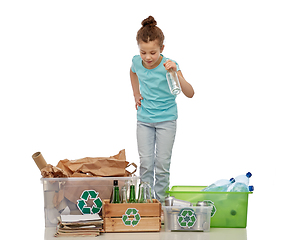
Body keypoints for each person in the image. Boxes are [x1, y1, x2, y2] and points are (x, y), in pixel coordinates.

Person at [130, 16, 194, 203]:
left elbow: (190, 93)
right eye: (143, 52)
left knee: (162, 164)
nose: (148, 58)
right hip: (144, 120)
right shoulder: (136, 61)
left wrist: (175, 73)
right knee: (146, 164)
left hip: (167, 120)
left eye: (153, 52)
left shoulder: (169, 65)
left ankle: (160, 201)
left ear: (162, 49)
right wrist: (136, 94)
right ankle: (146, 202)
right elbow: (132, 71)